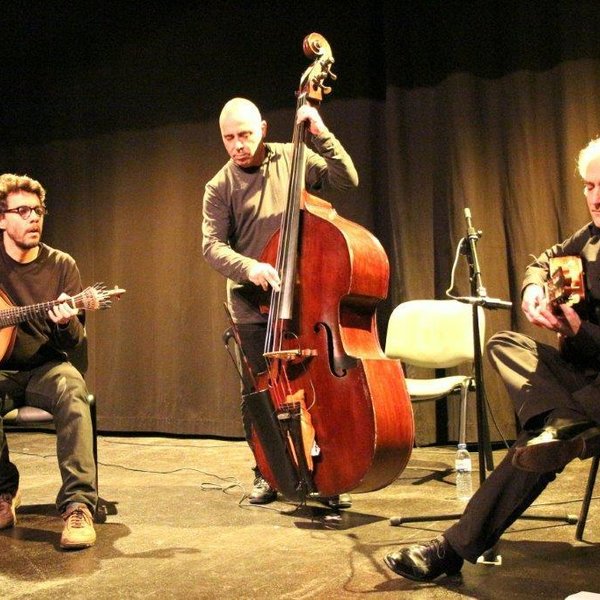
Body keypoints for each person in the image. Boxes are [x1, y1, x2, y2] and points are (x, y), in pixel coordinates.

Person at [384, 136, 600, 582]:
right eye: (587, 186)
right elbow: (541, 261)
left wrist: (580, 330)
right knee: (506, 344)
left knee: (537, 441)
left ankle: (451, 550)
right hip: (578, 382)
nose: (594, 198)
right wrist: (532, 288)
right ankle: (563, 424)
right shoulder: (589, 239)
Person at [202, 97, 359, 506]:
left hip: (304, 299)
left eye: (245, 135)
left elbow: (346, 179)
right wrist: (249, 267)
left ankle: (325, 475)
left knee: (314, 384)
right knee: (261, 391)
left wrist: (322, 133)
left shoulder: (292, 157)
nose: (238, 145)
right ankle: (266, 473)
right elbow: (212, 247)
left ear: (264, 129)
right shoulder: (219, 187)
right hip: (253, 305)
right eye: (229, 138)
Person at [0, 173, 97, 550]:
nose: (33, 218)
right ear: (2, 218)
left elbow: (75, 343)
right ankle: (4, 492)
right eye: (22, 210)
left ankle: (77, 506)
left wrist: (67, 319)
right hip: (3, 370)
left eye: (37, 210)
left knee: (72, 389)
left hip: (45, 367)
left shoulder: (61, 266)